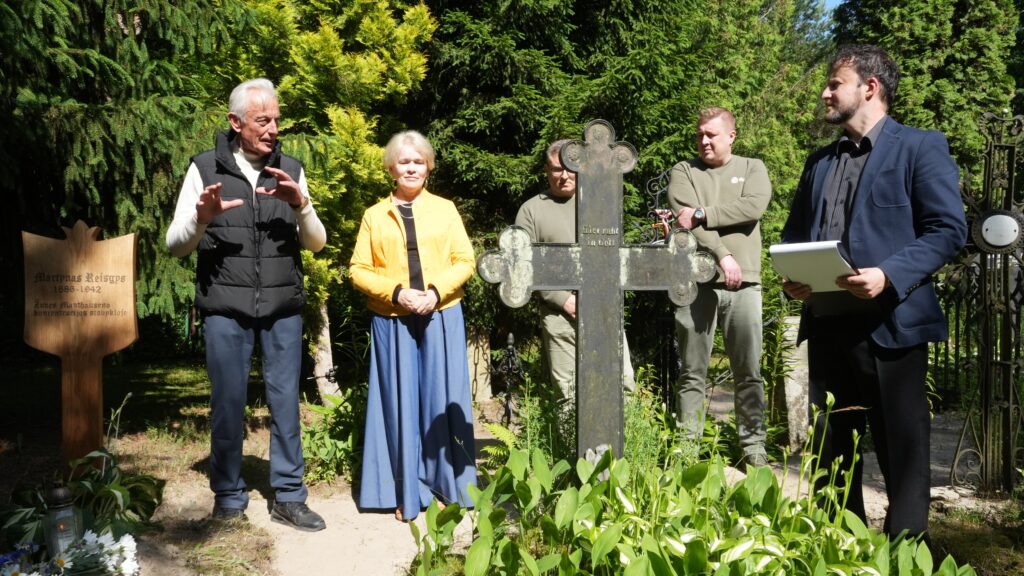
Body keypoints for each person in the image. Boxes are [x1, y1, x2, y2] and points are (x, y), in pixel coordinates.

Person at [781, 45, 966, 539]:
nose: (824, 92)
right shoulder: (818, 163)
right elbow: (796, 237)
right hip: (826, 324)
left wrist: (887, 274)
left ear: (870, 87)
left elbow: (948, 229)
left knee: (902, 451)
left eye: (833, 83)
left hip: (893, 322)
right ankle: (842, 548)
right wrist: (794, 278)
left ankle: (906, 553)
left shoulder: (919, 147)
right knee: (830, 451)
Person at [166, 78, 327, 531]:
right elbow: (175, 245)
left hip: (282, 310)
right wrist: (200, 219)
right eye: (263, 120)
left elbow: (317, 244)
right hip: (224, 310)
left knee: (285, 405)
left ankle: (290, 496)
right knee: (227, 403)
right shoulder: (203, 168)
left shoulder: (291, 169)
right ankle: (229, 495)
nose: (274, 128)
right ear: (235, 123)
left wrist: (302, 206)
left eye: (277, 119)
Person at [350, 130, 477, 522]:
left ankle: (445, 487)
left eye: (418, 161)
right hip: (393, 319)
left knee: (441, 400)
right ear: (391, 168)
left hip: (441, 315)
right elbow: (358, 269)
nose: (411, 167)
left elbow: (465, 260)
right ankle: (405, 489)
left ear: (428, 167)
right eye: (404, 161)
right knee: (400, 403)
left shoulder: (446, 208)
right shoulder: (374, 215)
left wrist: (436, 293)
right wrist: (396, 292)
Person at [668, 107, 772, 468]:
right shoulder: (684, 171)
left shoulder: (751, 168)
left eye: (711, 134)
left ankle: (753, 451)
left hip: (746, 284)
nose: (704, 141)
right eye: (699, 134)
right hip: (696, 282)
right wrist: (724, 254)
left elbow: (753, 207)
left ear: (731, 136)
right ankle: (687, 451)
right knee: (692, 371)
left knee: (749, 370)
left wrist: (704, 212)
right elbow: (684, 219)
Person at [514, 140, 635, 402]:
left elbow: (612, 257)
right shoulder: (532, 210)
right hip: (559, 314)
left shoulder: (600, 203)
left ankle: (624, 445)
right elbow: (523, 265)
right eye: (557, 169)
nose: (565, 175)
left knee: (622, 385)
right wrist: (562, 299)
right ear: (547, 169)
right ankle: (571, 445)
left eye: (571, 168)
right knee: (569, 394)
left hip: (603, 307)